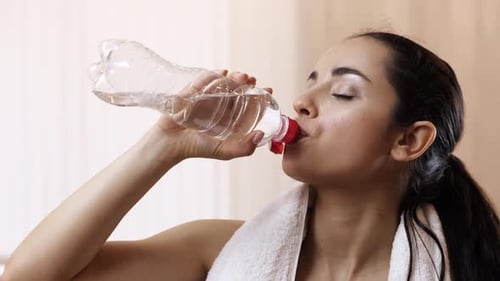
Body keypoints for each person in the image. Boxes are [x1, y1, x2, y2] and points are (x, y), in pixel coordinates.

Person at [1, 31, 499, 281]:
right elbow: (26, 276)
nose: (303, 101)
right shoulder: (217, 251)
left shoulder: (471, 266)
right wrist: (166, 144)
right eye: (311, 81)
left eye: (343, 92)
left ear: (408, 141)